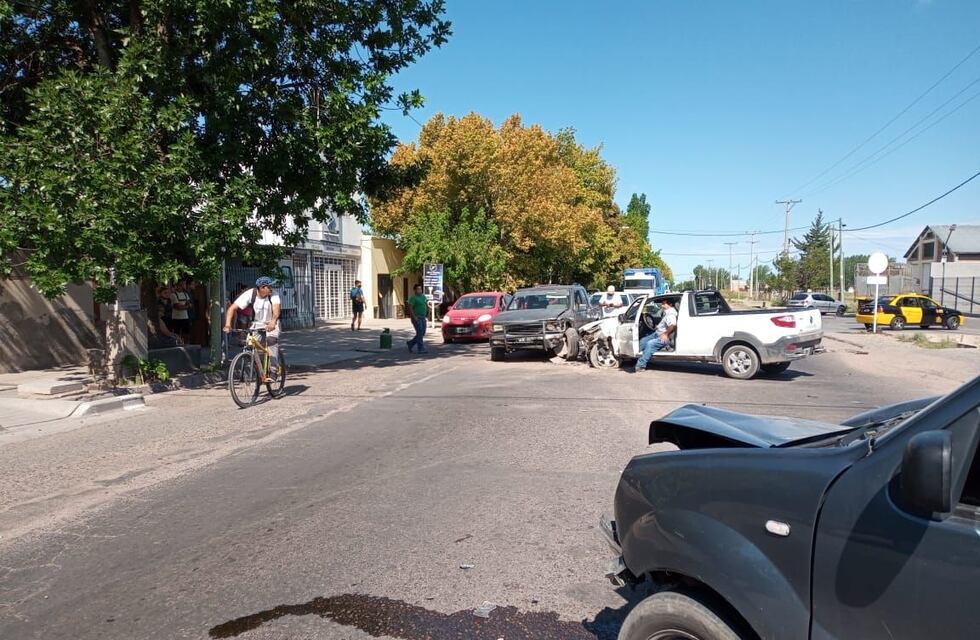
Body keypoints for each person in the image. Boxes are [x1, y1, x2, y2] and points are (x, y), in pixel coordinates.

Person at [224, 276, 282, 380]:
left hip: (272, 322)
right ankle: (250, 369)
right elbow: (232, 308)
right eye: (269, 286)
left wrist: (273, 322)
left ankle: (274, 370)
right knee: (249, 345)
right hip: (257, 323)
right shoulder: (251, 294)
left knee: (271, 340)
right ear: (262, 287)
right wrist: (228, 325)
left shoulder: (274, 295)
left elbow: (276, 310)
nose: (271, 288)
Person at [634, 299, 677, 373]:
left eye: (664, 304)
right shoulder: (666, 312)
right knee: (643, 341)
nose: (662, 305)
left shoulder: (671, 314)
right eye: (662, 304)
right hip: (657, 333)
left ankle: (640, 365)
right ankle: (634, 359)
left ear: (670, 304)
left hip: (664, 337)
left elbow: (673, 325)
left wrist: (665, 334)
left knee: (650, 344)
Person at [406, 283, 429, 354]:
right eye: (418, 289)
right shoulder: (413, 298)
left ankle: (411, 343)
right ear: (415, 290)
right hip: (417, 317)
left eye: (420, 289)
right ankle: (420, 348)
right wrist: (414, 317)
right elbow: (410, 308)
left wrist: (428, 313)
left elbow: (426, 305)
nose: (420, 290)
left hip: (423, 317)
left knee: (422, 333)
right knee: (419, 332)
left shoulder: (423, 297)